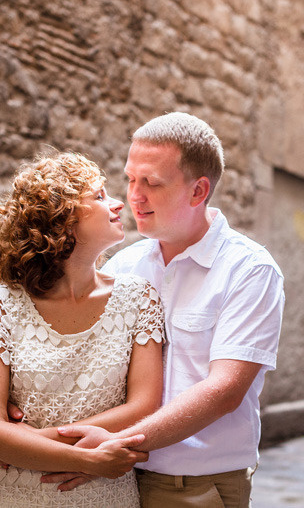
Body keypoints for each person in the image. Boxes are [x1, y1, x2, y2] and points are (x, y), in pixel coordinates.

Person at [46, 112, 285, 507]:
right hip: (110, 481)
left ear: (198, 190)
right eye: (131, 179)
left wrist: (115, 446)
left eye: (152, 183)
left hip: (192, 486)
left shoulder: (249, 270)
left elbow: (224, 391)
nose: (134, 196)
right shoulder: (122, 265)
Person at [0, 151, 165, 507]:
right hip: (17, 494)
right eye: (99, 196)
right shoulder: (1, 305)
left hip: (105, 495)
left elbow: (143, 405)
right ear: (62, 217)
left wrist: (24, 444)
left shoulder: (138, 299)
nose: (118, 203)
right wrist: (87, 460)